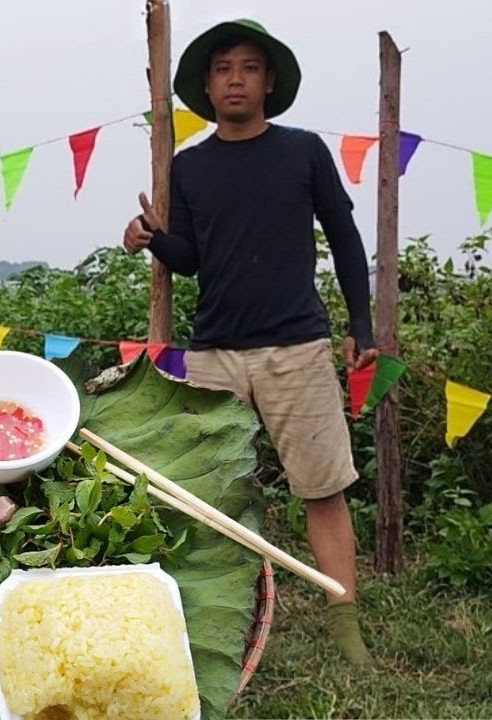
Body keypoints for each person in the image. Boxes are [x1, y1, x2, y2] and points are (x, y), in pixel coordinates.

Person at [122, 18, 377, 667]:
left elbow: (346, 242)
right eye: (223, 68)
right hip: (214, 352)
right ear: (207, 86)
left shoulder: (303, 153)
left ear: (268, 82)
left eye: (249, 68)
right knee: (209, 497)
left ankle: (346, 629)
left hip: (296, 348)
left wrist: (363, 330)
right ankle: (213, 624)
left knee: (322, 488)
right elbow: (193, 260)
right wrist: (150, 238)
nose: (236, 79)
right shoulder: (190, 166)